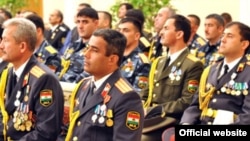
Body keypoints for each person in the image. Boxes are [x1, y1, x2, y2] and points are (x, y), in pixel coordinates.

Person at [61, 29, 144, 141]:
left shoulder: (126, 97)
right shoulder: (84, 85)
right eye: (87, 48)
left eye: (94, 50)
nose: (86, 54)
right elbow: (70, 130)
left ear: (112, 59)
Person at [140, 14, 204, 141]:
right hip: (150, 119)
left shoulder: (193, 64)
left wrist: (155, 109)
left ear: (179, 34)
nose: (161, 32)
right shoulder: (159, 61)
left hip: (170, 121)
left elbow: (187, 102)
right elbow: (145, 93)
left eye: (166, 28)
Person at [0, 18, 64, 140]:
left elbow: (46, 132)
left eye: (6, 40)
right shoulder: (8, 72)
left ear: (22, 46)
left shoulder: (44, 79)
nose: (1, 45)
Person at [180, 21, 250, 125]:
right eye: (223, 35)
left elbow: (247, 117)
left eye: (229, 36)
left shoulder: (247, 73)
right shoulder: (211, 69)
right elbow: (195, 105)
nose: (223, 40)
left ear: (244, 44)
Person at [59, 7, 99, 83]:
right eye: (78, 22)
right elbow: (60, 67)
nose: (80, 26)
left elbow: (86, 77)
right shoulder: (73, 45)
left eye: (85, 22)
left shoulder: (96, 48)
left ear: (96, 23)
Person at [117, 17, 151, 93]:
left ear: (137, 36)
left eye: (126, 30)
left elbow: (137, 95)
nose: (121, 33)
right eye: (119, 30)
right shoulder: (112, 56)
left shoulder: (142, 63)